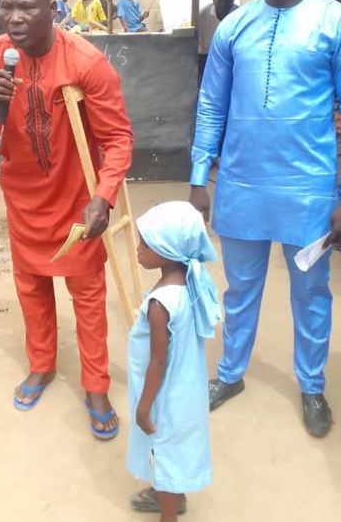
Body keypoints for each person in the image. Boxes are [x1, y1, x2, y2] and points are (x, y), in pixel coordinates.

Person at [190, 0, 341, 438]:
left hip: (309, 191)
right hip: (242, 184)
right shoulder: (235, 24)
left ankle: (312, 385)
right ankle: (230, 374)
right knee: (238, 289)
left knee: (311, 293)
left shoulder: (336, 23)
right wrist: (201, 175)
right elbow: (211, 106)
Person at [0, 0, 133, 439]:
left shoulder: (86, 62)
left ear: (52, 11)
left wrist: (104, 197)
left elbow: (118, 139)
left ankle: (96, 383)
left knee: (88, 295)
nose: (14, 19)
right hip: (23, 198)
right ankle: (41, 364)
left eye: (27, 8)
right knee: (31, 287)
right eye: (6, 9)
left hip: (77, 203)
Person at [126, 202, 221, 521]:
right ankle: (171, 494)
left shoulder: (160, 304)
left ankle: (170, 511)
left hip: (165, 395)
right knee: (173, 449)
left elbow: (158, 361)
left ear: (169, 250)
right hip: (186, 389)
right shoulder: (189, 283)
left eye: (146, 244)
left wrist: (143, 406)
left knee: (164, 452)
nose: (138, 250)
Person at [198, 0, 236, 82]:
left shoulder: (239, 15)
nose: (223, 3)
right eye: (220, 0)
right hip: (208, 57)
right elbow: (201, 48)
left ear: (232, 2)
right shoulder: (203, 15)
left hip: (232, 58)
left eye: (227, 0)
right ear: (214, 1)